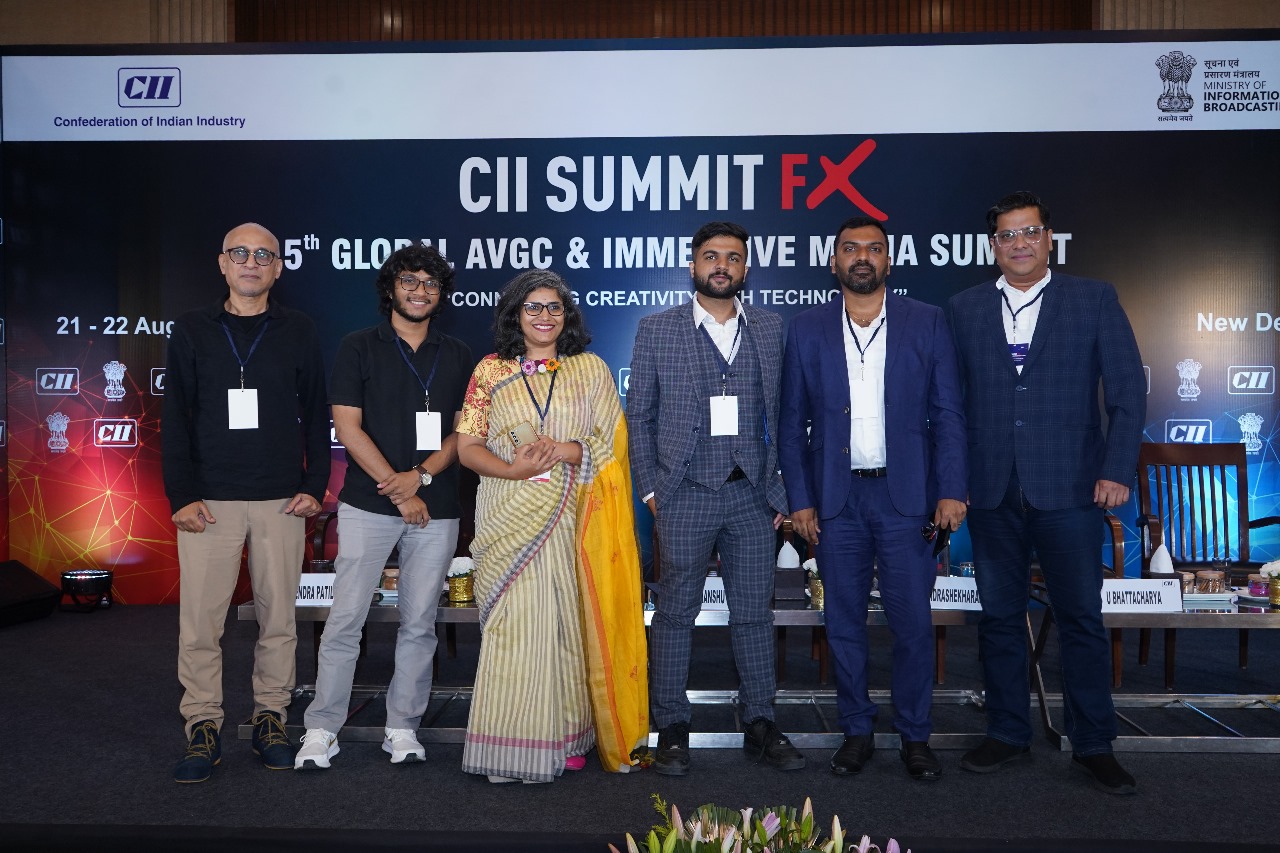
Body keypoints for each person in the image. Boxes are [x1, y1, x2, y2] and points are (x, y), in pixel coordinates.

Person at [949, 191, 1145, 795]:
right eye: (1007, 235)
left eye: (1029, 232)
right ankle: (1007, 733)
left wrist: (1116, 469)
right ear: (993, 246)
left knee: (1080, 618)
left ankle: (1094, 744)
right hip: (991, 490)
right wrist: (951, 481)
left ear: (1049, 238)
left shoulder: (1093, 298)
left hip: (1071, 486)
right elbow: (949, 403)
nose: (1020, 244)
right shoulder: (964, 307)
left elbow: (1127, 391)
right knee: (999, 619)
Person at [779, 216, 967, 781]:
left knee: (912, 625)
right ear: (833, 261)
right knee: (842, 623)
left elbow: (949, 412)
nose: (862, 256)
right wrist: (800, 499)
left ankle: (915, 735)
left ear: (889, 260)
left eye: (874, 248)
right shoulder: (806, 328)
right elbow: (790, 424)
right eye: (850, 248)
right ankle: (856, 730)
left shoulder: (926, 321)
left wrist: (952, 489)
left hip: (906, 499)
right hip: (836, 501)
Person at [457, 269, 647, 784]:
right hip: (508, 514)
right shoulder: (489, 371)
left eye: (554, 307)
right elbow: (468, 446)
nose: (544, 316)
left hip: (572, 519)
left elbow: (614, 443)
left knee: (564, 626)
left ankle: (566, 737)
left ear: (568, 316)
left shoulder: (591, 369)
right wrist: (512, 470)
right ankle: (510, 747)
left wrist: (568, 449)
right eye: (533, 307)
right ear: (515, 314)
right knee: (513, 629)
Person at [627, 221, 804, 776]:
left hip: (753, 496)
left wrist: (782, 490)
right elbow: (639, 416)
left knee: (753, 614)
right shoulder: (657, 329)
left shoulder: (770, 328)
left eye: (732, 257)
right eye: (711, 256)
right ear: (693, 265)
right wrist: (651, 490)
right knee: (675, 614)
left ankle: (760, 721)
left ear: (746, 268)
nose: (721, 265)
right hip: (682, 494)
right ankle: (672, 725)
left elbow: (788, 414)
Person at [293, 245, 472, 770]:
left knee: (419, 623)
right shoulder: (358, 346)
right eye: (409, 280)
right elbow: (347, 427)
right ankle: (322, 728)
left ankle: (403, 726)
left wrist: (421, 477)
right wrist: (401, 490)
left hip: (438, 505)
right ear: (391, 288)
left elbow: (463, 431)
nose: (420, 291)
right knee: (346, 619)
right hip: (368, 505)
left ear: (441, 294)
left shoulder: (458, 353)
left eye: (430, 283)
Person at [163, 222, 330, 783]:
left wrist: (315, 483)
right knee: (200, 624)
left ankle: (271, 718)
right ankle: (202, 724)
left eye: (263, 255)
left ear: (278, 268)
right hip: (209, 501)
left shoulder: (298, 329)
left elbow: (317, 413)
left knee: (278, 620)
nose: (251, 262)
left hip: (281, 499)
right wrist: (181, 494)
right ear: (222, 263)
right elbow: (175, 416)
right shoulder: (192, 329)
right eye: (240, 253)